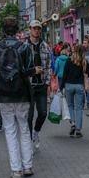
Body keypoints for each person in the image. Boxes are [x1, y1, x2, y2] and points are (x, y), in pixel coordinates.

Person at [0, 17, 36, 178]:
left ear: (3, 30)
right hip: (22, 92)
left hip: (4, 93)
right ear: (17, 31)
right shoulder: (24, 47)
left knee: (9, 130)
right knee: (24, 128)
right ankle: (27, 166)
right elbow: (30, 70)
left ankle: (16, 169)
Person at [25, 20, 52, 150]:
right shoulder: (24, 46)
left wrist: (47, 83)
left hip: (41, 85)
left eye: (38, 28)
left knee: (42, 113)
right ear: (30, 29)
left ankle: (36, 132)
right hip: (28, 86)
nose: (36, 31)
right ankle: (29, 140)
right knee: (29, 116)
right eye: (34, 28)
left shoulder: (45, 46)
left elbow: (49, 66)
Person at [60, 43, 89, 138]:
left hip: (69, 85)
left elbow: (64, 75)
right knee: (79, 108)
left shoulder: (69, 60)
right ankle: (78, 129)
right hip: (79, 86)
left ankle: (73, 123)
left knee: (70, 106)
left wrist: (61, 87)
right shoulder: (84, 61)